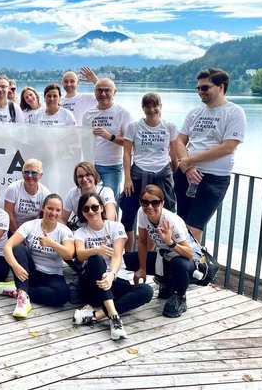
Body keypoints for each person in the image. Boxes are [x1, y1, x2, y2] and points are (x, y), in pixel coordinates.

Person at [174, 68, 246, 242]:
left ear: (220, 87)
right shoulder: (195, 112)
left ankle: (192, 266)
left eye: (205, 88)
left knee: (193, 227)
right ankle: (179, 266)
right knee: (180, 224)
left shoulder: (234, 112)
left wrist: (190, 160)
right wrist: (188, 166)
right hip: (186, 175)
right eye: (198, 88)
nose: (200, 92)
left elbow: (228, 147)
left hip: (213, 179)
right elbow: (179, 141)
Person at [72, 192, 153, 340]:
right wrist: (97, 250)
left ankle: (98, 315)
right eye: (86, 209)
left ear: (102, 208)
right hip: (92, 282)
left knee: (146, 291)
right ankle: (115, 318)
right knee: (96, 259)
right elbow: (80, 254)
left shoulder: (115, 227)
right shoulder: (80, 232)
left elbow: (117, 255)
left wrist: (111, 275)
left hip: (115, 279)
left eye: (95, 207)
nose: (91, 211)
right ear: (82, 212)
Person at [123, 185, 201, 318]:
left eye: (155, 203)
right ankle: (167, 281)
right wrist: (142, 268)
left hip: (189, 260)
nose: (150, 207)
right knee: (127, 259)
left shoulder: (171, 221)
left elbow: (189, 253)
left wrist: (170, 242)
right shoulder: (142, 213)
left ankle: (180, 297)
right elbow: (142, 241)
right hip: (165, 255)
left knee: (178, 263)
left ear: (162, 203)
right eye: (145, 202)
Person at [0, 194, 75, 318]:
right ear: (43, 208)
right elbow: (7, 246)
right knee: (18, 247)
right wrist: (15, 266)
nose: (53, 213)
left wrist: (51, 243)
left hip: (52, 274)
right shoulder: (31, 225)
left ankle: (19, 289)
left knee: (62, 296)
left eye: (57, 210)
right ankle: (22, 298)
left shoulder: (64, 231)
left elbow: (69, 254)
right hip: (30, 271)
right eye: (50, 208)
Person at [120, 93, 178, 250]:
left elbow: (173, 153)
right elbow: (126, 153)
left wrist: (175, 175)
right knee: (128, 214)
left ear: (160, 106)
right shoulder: (134, 126)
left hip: (162, 173)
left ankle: (150, 254)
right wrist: (127, 178)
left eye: (155, 106)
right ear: (143, 108)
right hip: (138, 173)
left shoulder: (169, 126)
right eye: (148, 106)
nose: (151, 110)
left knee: (159, 216)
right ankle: (128, 254)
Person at [82, 78, 133, 194]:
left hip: (112, 166)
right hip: (92, 166)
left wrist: (110, 136)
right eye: (99, 90)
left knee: (110, 201)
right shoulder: (88, 114)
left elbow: (130, 143)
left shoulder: (123, 113)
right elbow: (84, 141)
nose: (103, 94)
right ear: (94, 92)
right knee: (91, 200)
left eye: (107, 90)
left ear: (114, 92)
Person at [60, 162, 117, 229]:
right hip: (80, 231)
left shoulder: (106, 192)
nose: (84, 179)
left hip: (102, 230)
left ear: (94, 175)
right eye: (80, 176)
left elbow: (110, 218)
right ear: (76, 179)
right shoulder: (72, 193)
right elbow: (62, 220)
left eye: (87, 175)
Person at [4, 159, 51, 233]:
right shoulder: (13, 188)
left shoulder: (45, 193)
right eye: (26, 172)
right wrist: (17, 235)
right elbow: (8, 214)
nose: (29, 176)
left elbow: (44, 218)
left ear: (40, 175)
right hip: (14, 228)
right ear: (22, 173)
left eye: (34, 173)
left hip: (34, 230)